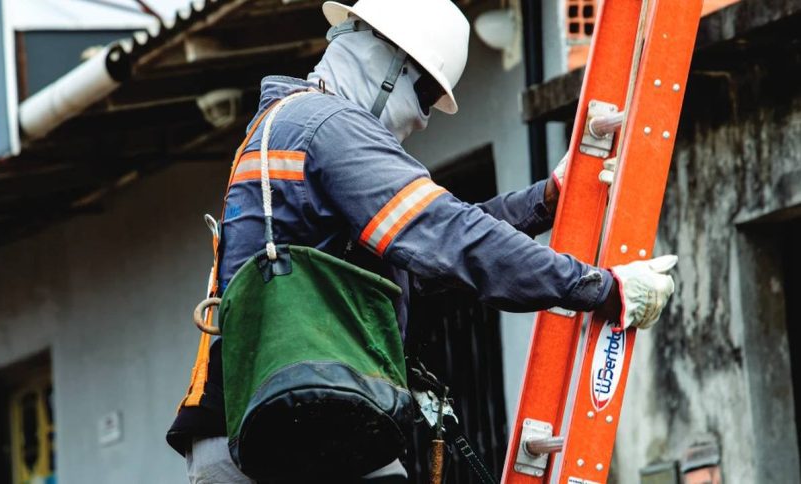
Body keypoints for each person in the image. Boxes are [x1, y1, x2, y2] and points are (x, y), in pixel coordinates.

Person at [167, 0, 678, 482]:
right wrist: (600, 287)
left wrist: (543, 201)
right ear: (386, 61)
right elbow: (447, 236)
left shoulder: (287, 125)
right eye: (427, 95)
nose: (423, 117)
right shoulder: (330, 127)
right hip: (285, 426)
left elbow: (424, 256)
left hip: (269, 421)